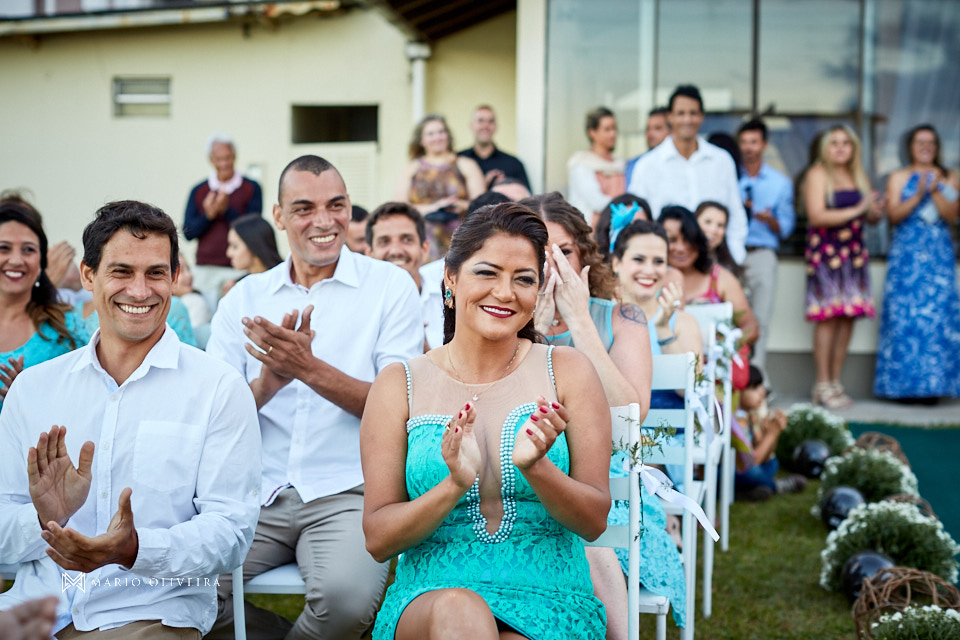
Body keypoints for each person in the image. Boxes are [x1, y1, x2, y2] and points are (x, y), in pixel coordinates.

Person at [0, 200, 262, 638]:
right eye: (121, 271)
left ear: (175, 277)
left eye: (156, 273)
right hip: (36, 608)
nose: (140, 291)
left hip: (151, 611)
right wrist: (47, 518)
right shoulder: (34, 390)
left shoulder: (217, 388)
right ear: (88, 276)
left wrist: (135, 549)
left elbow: (231, 533)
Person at [361, 202, 610, 640]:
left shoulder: (568, 371)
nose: (505, 292)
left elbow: (593, 521)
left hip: (549, 597)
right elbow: (378, 538)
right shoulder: (398, 384)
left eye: (524, 279)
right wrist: (452, 485)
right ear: (450, 278)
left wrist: (539, 467)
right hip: (431, 598)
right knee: (460, 610)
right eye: (487, 273)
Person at [206, 155, 423, 640]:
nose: (324, 221)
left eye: (337, 205)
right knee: (183, 590)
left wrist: (308, 369)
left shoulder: (388, 287)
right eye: (304, 208)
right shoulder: (244, 297)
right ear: (279, 217)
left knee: (346, 602)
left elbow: (397, 406)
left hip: (349, 491)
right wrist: (268, 383)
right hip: (253, 492)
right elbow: (211, 416)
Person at [524, 194, 688, 636]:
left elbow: (630, 420)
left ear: (583, 256)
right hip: (524, 473)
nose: (549, 265)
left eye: (562, 251)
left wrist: (579, 323)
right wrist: (533, 334)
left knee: (587, 541)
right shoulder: (502, 320)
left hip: (606, 481)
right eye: (536, 252)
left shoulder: (624, 317)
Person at [874, 124, 960, 402]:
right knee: (904, 318)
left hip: (938, 256)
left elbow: (952, 215)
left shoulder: (950, 177)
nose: (926, 147)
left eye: (931, 143)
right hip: (907, 255)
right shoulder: (898, 177)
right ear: (910, 146)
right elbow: (894, 216)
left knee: (937, 320)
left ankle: (933, 387)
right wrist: (918, 192)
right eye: (920, 142)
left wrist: (935, 189)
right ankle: (901, 387)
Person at [803, 125, 882, 409]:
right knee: (828, 317)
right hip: (826, 254)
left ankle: (836, 381)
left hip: (853, 255)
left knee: (847, 317)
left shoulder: (858, 175)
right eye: (834, 142)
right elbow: (816, 215)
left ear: (853, 148)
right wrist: (859, 209)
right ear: (825, 147)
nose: (839, 147)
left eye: (845, 143)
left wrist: (873, 211)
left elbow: (867, 217)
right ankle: (821, 383)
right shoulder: (817, 174)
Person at [627, 85, 748, 264]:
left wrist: (735, 260)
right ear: (670, 116)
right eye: (681, 113)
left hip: (712, 263)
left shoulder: (721, 161)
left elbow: (735, 215)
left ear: (701, 116)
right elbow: (636, 218)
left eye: (693, 113)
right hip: (665, 263)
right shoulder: (647, 165)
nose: (687, 119)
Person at [0, 201, 88, 412]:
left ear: (41, 262)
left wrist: (29, 400)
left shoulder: (66, 327)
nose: (16, 260)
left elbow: (87, 408)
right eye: (4, 248)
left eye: (28, 250)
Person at [737, 119, 796, 375]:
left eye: (754, 142)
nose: (749, 147)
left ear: (764, 144)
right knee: (731, 317)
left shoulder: (780, 182)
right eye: (744, 142)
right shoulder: (729, 176)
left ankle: (757, 379)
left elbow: (787, 227)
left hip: (762, 253)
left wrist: (768, 219)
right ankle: (732, 377)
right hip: (732, 254)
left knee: (760, 318)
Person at [659, 206, 758, 346]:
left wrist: (722, 350)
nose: (681, 248)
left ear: (699, 241)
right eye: (672, 240)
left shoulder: (720, 278)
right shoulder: (650, 279)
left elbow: (751, 328)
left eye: (687, 240)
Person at [182, 133, 263, 297]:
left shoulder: (251, 188)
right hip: (205, 270)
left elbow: (255, 231)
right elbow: (188, 233)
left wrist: (226, 211)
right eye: (219, 159)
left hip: (237, 269)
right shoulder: (198, 191)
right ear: (211, 160)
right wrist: (208, 216)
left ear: (235, 157)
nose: (224, 163)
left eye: (228, 158)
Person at [396, 114, 485, 261]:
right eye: (431, 134)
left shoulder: (466, 164)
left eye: (441, 132)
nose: (437, 137)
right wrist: (433, 207)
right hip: (422, 241)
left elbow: (483, 204)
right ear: (422, 140)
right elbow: (400, 206)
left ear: (448, 136)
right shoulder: (412, 168)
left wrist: (460, 205)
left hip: (461, 242)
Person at [366, 202, 443, 351]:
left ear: (424, 249)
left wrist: (428, 356)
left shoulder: (450, 299)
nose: (396, 250)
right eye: (384, 242)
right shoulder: (357, 305)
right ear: (369, 254)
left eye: (407, 239)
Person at [733, 366, 807, 501]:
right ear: (738, 392)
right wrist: (771, 435)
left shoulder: (749, 414)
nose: (762, 392)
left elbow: (765, 456)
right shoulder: (736, 419)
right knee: (753, 472)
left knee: (772, 463)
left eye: (761, 386)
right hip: (729, 472)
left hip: (743, 470)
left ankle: (744, 493)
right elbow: (751, 462)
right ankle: (777, 486)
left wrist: (773, 433)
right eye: (754, 388)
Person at [567, 107, 626, 228]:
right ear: (592, 133)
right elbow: (597, 202)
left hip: (620, 228)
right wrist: (626, 206)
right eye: (607, 129)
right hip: (593, 232)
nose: (613, 133)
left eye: (614, 128)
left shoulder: (620, 164)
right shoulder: (582, 164)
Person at [458, 105, 531, 191]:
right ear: (471, 125)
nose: (485, 125)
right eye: (480, 121)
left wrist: (504, 187)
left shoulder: (514, 164)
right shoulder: (458, 160)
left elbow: (526, 200)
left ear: (496, 127)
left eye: (491, 121)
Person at [221, 215, 283, 296]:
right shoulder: (236, 287)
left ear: (253, 245)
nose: (228, 253)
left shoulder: (286, 279)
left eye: (235, 247)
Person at [594, 193, 652, 263]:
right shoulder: (591, 268)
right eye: (626, 225)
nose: (632, 232)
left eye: (640, 226)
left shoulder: (657, 270)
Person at [623, 107, 670, 189]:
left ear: (671, 131)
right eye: (648, 128)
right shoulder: (635, 164)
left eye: (657, 128)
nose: (650, 133)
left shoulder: (681, 162)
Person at [695, 201, 740, 275]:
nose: (713, 230)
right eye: (708, 222)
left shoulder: (728, 268)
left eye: (720, 225)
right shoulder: (680, 258)